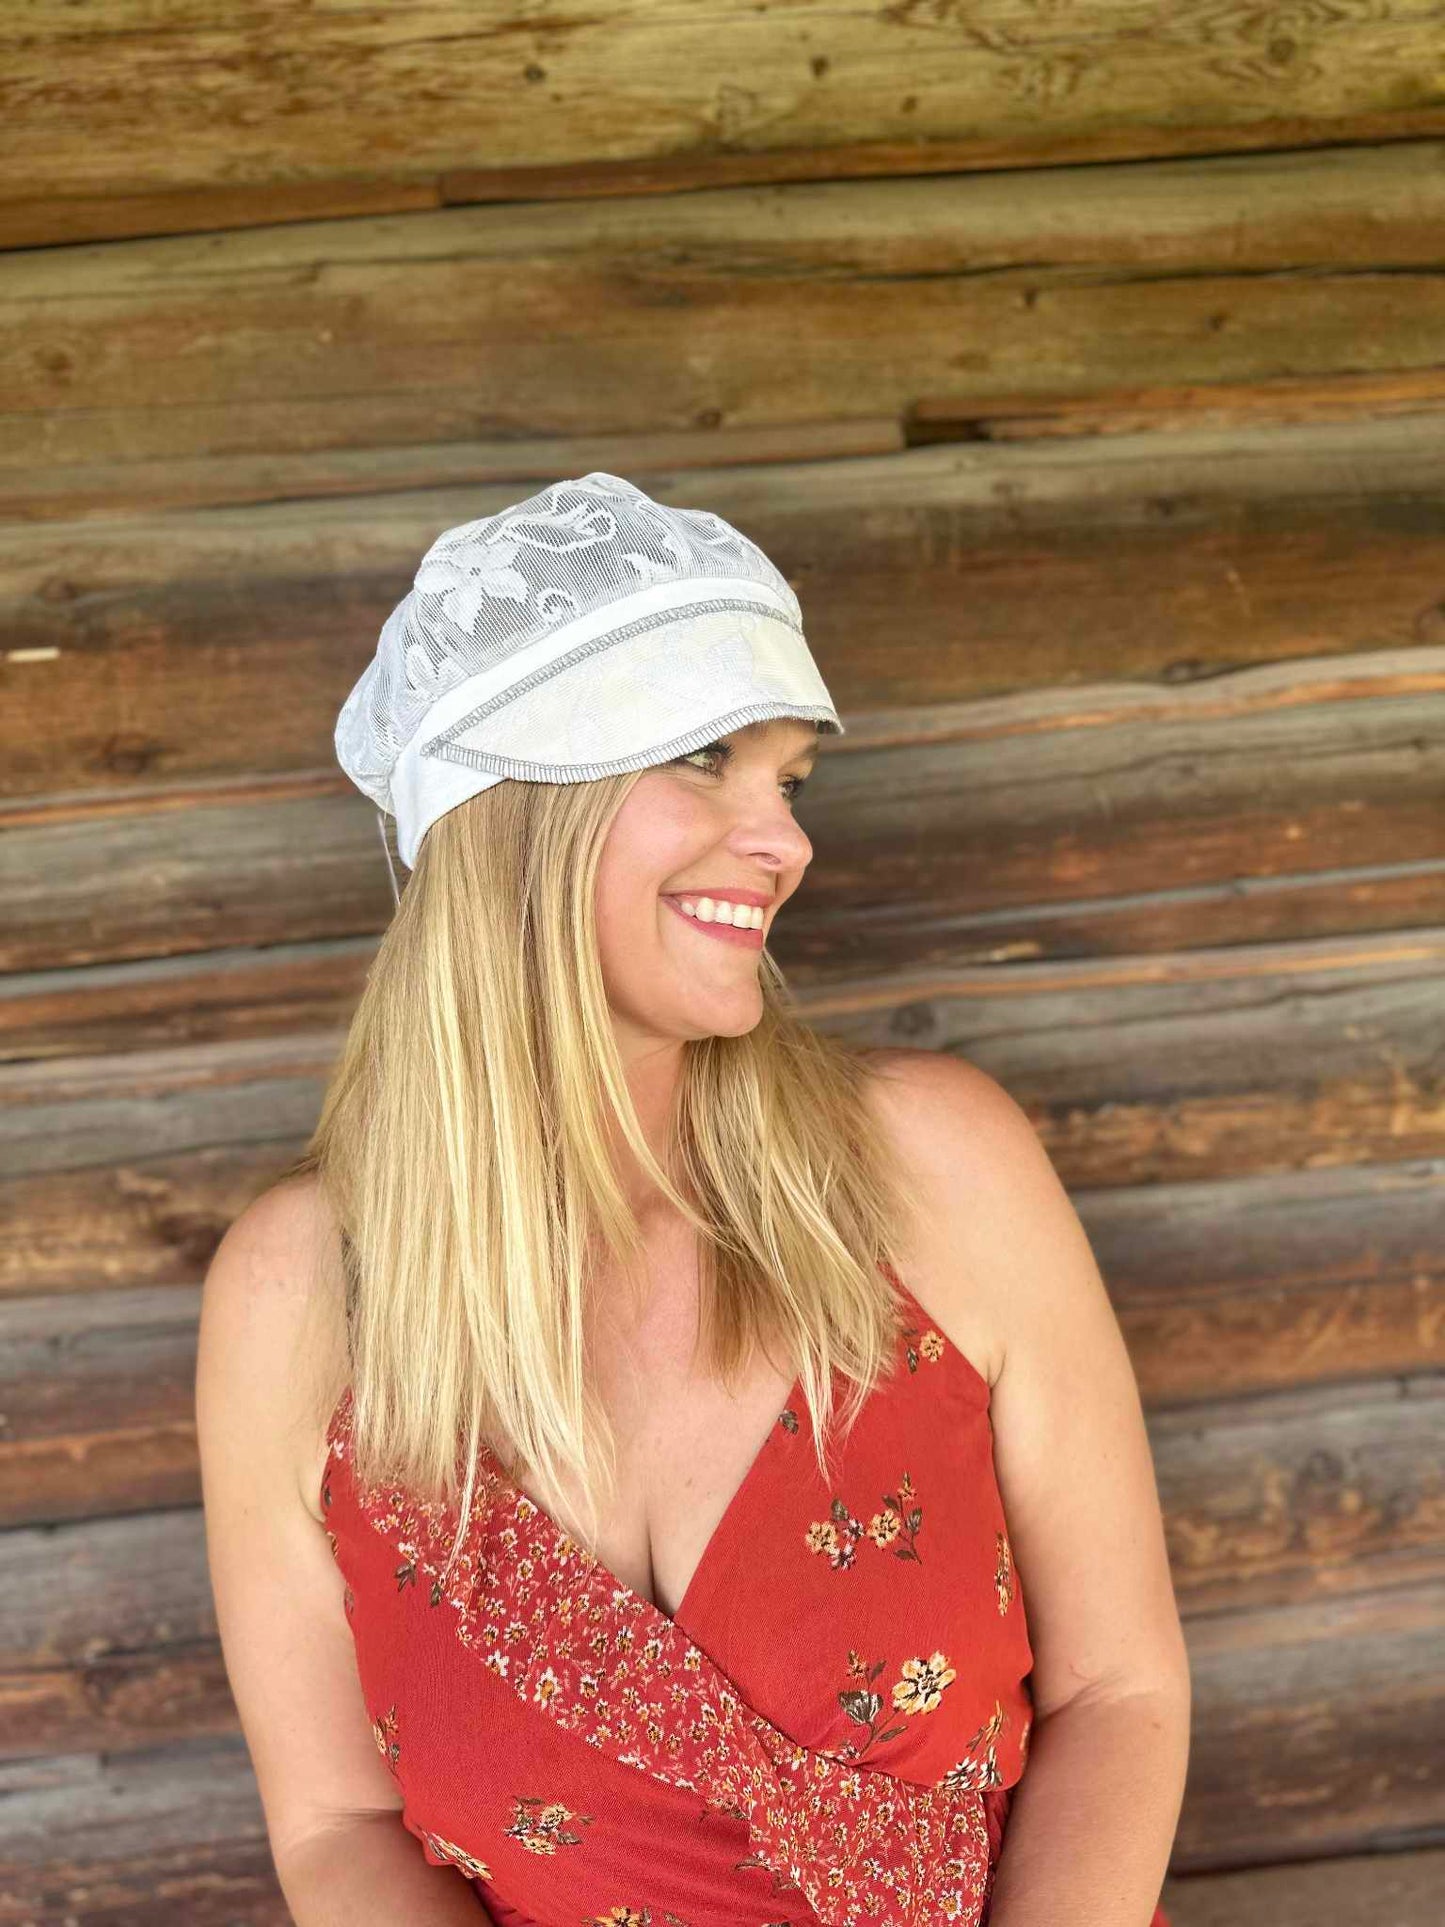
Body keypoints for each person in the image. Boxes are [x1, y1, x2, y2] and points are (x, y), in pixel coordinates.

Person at [196, 472, 1189, 1925]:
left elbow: (1120, 1688)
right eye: (707, 758)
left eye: (787, 779)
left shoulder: (930, 1168)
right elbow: (338, 1825)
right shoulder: (302, 1297)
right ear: (509, 815)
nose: (784, 841)